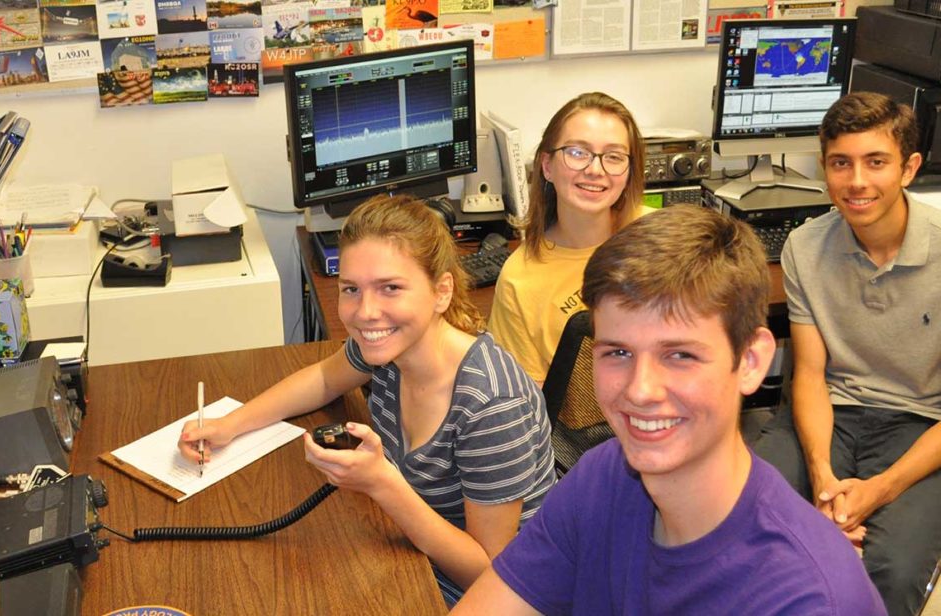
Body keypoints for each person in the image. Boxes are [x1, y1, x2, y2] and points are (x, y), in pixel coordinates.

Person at [453, 206, 886, 615]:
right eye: (618, 352)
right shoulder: (603, 477)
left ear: (751, 362)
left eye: (679, 355)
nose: (640, 391)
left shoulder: (808, 599)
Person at [178, 194, 556, 605]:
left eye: (390, 288)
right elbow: (324, 379)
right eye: (351, 289)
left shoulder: (492, 404)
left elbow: (488, 572)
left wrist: (381, 483)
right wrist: (229, 425)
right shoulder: (389, 348)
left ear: (441, 292)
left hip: (492, 592)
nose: (365, 312)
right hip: (414, 552)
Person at [753, 91, 941, 615]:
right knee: (752, 533)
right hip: (828, 415)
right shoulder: (805, 248)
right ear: (824, 168)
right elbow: (809, 377)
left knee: (894, 571)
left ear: (909, 169)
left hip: (921, 424)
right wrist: (822, 480)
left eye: (876, 162)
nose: (856, 181)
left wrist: (878, 491)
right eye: (841, 163)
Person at [488, 92, 647, 385]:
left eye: (613, 157)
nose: (595, 170)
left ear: (628, 172)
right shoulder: (520, 281)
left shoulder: (661, 235)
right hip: (591, 431)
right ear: (547, 166)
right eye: (577, 152)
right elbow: (528, 404)